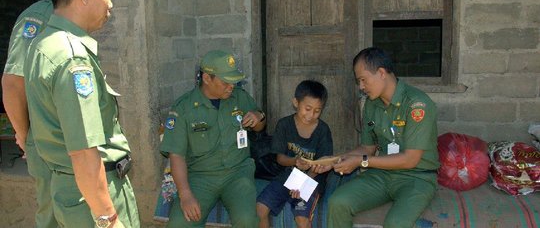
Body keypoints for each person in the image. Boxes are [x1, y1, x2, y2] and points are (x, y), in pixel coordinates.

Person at [24, 0, 139, 227]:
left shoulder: (43, 43)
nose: (110, 4)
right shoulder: (72, 59)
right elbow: (84, 152)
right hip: (93, 196)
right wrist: (108, 220)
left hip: (72, 190)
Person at [328, 47, 439, 228]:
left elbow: (410, 160)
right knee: (338, 202)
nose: (361, 87)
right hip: (382, 174)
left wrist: (361, 162)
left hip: (417, 178)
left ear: (381, 73)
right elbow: (367, 148)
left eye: (363, 80)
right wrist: (334, 160)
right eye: (359, 82)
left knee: (396, 223)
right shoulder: (372, 105)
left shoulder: (417, 104)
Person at [159, 49, 267, 228]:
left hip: (238, 174)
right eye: (226, 82)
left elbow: (260, 125)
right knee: (179, 224)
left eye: (234, 81)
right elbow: (176, 155)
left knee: (247, 221)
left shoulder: (239, 97)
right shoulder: (183, 108)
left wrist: (257, 118)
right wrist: (185, 195)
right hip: (200, 177)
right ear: (207, 78)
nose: (231, 86)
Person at [1, 0, 56, 226]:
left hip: (70, 143)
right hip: (48, 144)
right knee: (55, 215)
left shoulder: (72, 17)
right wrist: (25, 137)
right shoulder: (38, 17)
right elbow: (13, 82)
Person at [256, 80, 334, 228]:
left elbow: (323, 163)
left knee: (301, 218)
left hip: (311, 180)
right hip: (287, 177)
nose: (311, 115)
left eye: (317, 111)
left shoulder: (323, 130)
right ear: (296, 103)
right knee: (260, 208)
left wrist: (302, 184)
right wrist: (294, 161)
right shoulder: (284, 125)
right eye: (308, 108)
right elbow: (280, 158)